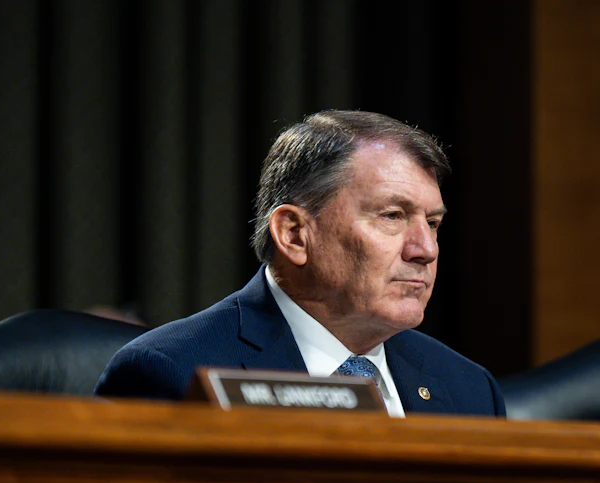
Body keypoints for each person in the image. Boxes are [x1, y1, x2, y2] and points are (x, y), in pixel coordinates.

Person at [94, 110, 506, 417]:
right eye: (392, 216)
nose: (425, 249)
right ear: (293, 234)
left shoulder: (469, 390)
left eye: (432, 223)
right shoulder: (170, 372)